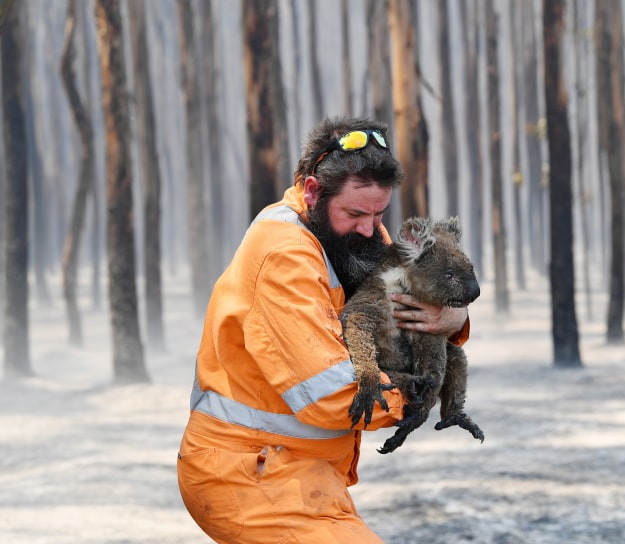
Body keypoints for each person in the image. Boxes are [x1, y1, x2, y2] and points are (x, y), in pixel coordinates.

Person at [176, 117, 471, 543]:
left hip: (302, 473)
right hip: (249, 475)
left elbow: (412, 300)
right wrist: (416, 394)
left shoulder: (349, 234)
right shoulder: (285, 256)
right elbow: (330, 393)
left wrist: (454, 321)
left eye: (379, 213)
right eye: (355, 213)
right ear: (314, 192)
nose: (372, 229)